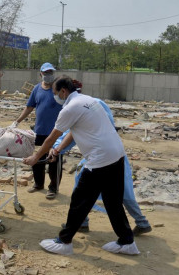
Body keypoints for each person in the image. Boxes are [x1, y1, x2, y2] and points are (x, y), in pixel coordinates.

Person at [23, 75, 140, 255]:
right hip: (116, 155)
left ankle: (64, 241)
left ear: (63, 91)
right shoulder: (89, 100)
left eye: (55, 93)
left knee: (79, 201)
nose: (54, 97)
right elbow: (72, 131)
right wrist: (58, 150)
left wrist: (35, 157)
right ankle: (127, 241)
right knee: (113, 201)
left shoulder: (69, 108)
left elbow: (50, 138)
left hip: (100, 160)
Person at [51, 98, 152, 236]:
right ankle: (84, 222)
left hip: (103, 157)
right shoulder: (92, 104)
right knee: (108, 191)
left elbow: (71, 135)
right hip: (106, 154)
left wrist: (56, 149)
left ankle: (139, 224)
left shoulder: (78, 109)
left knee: (119, 192)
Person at [12, 62, 63, 199]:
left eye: (50, 72)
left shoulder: (58, 89)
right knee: (37, 158)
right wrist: (17, 121)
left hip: (55, 132)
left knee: (54, 160)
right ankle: (38, 184)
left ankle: (53, 187)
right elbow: (29, 107)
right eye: (46, 73)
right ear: (41, 74)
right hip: (39, 131)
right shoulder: (36, 89)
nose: (48, 75)